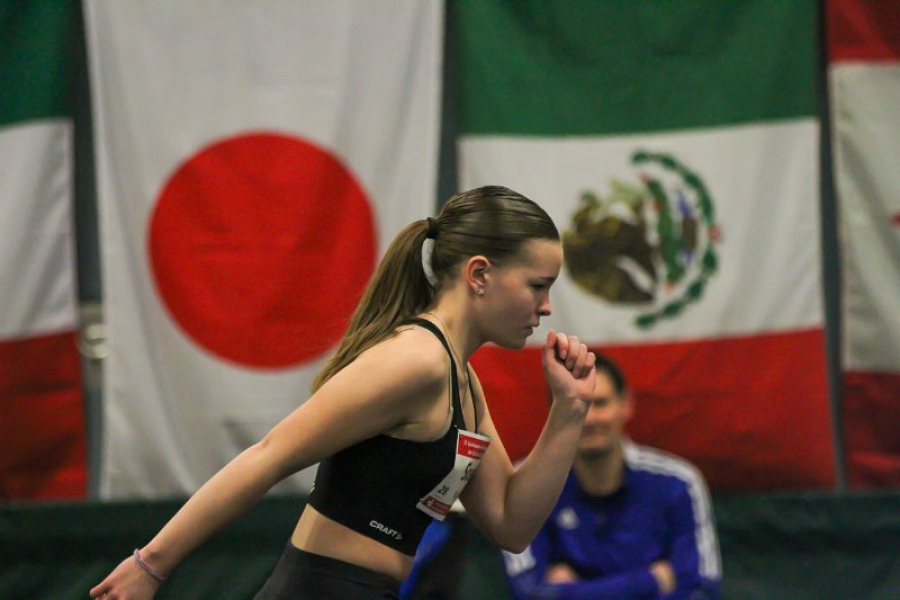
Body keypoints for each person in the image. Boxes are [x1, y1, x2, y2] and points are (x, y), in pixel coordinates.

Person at [90, 185, 597, 600]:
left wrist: (569, 411)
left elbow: (511, 524)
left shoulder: (464, 381)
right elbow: (269, 456)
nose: (547, 307)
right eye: (538, 285)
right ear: (480, 274)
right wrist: (150, 567)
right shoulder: (414, 361)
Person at [502, 354, 722, 599]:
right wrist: (650, 580)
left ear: (625, 404)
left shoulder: (679, 483)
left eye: (601, 403)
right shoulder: (529, 485)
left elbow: (701, 591)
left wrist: (570, 592)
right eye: (578, 407)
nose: (590, 419)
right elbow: (529, 594)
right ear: (556, 413)